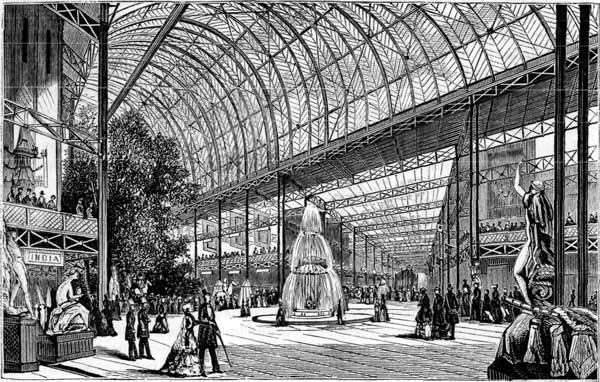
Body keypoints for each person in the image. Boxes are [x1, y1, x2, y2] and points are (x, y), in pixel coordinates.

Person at [513, 162, 554, 305]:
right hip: (537, 243)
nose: (529, 190)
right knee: (520, 272)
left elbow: (517, 187)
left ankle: (530, 305)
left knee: (518, 272)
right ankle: (531, 304)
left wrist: (518, 171)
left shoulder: (531, 200)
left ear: (534, 190)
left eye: (531, 188)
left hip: (533, 243)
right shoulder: (540, 204)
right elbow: (517, 187)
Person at [161, 304, 201, 376]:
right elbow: (188, 326)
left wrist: (199, 322)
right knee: (185, 350)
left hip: (188, 334)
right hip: (187, 335)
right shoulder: (187, 317)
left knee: (188, 351)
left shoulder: (188, 316)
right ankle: (182, 369)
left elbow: (193, 323)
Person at [46, 269, 89, 335]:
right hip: (65, 304)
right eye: (76, 275)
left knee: (80, 308)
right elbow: (71, 297)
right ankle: (86, 326)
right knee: (82, 309)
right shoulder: (68, 284)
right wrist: (79, 296)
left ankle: (83, 326)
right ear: (72, 275)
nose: (77, 276)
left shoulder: (63, 284)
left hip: (61, 304)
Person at [198, 290, 222, 376]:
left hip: (211, 331)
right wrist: (208, 322)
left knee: (212, 350)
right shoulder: (201, 307)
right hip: (204, 331)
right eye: (205, 298)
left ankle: (216, 368)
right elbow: (200, 319)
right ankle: (201, 370)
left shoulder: (211, 307)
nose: (206, 299)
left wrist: (217, 329)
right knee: (202, 351)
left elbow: (213, 320)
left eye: (208, 297)